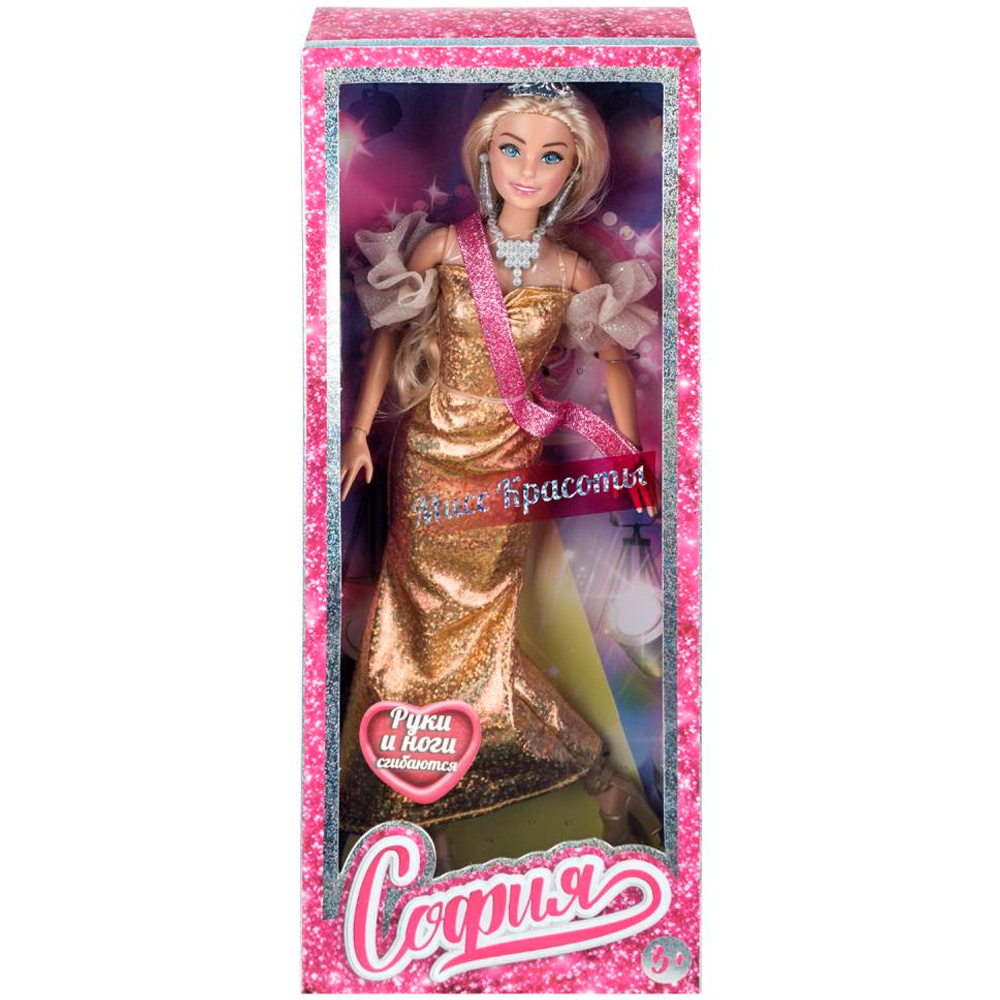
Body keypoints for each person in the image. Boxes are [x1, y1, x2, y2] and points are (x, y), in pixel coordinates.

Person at [339, 83, 660, 871]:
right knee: (411, 621)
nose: (527, 169)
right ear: (485, 151)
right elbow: (388, 336)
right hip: (429, 457)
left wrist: (629, 454)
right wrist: (358, 433)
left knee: (481, 630)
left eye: (550, 156)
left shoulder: (573, 269)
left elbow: (614, 361)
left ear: (573, 170)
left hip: (507, 465)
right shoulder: (445, 247)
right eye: (512, 148)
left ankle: (564, 777)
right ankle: (425, 798)